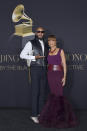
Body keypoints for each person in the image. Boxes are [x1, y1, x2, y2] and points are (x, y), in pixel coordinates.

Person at [39, 35, 78, 128]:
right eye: (49, 41)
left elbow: (64, 64)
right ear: (48, 42)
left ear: (55, 42)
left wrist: (64, 77)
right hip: (50, 75)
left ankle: (61, 119)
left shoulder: (61, 51)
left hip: (58, 74)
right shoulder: (48, 52)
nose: (51, 42)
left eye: (53, 41)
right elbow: (48, 64)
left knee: (59, 95)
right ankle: (53, 117)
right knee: (53, 95)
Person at [20, 27, 48, 123]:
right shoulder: (30, 43)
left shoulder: (45, 43)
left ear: (43, 33)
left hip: (44, 70)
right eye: (38, 31)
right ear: (36, 33)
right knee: (35, 92)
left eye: (42, 32)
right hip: (35, 69)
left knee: (42, 93)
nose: (40, 33)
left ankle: (40, 113)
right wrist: (34, 57)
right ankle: (33, 114)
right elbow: (22, 55)